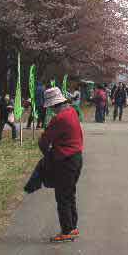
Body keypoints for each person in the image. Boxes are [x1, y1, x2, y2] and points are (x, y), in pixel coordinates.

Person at [39, 87, 84, 242]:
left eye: (51, 107)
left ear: (53, 105)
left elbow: (44, 141)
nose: (51, 110)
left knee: (62, 197)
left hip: (65, 161)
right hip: (77, 157)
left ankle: (66, 230)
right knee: (70, 194)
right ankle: (73, 227)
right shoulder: (72, 112)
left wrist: (48, 154)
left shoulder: (59, 119)